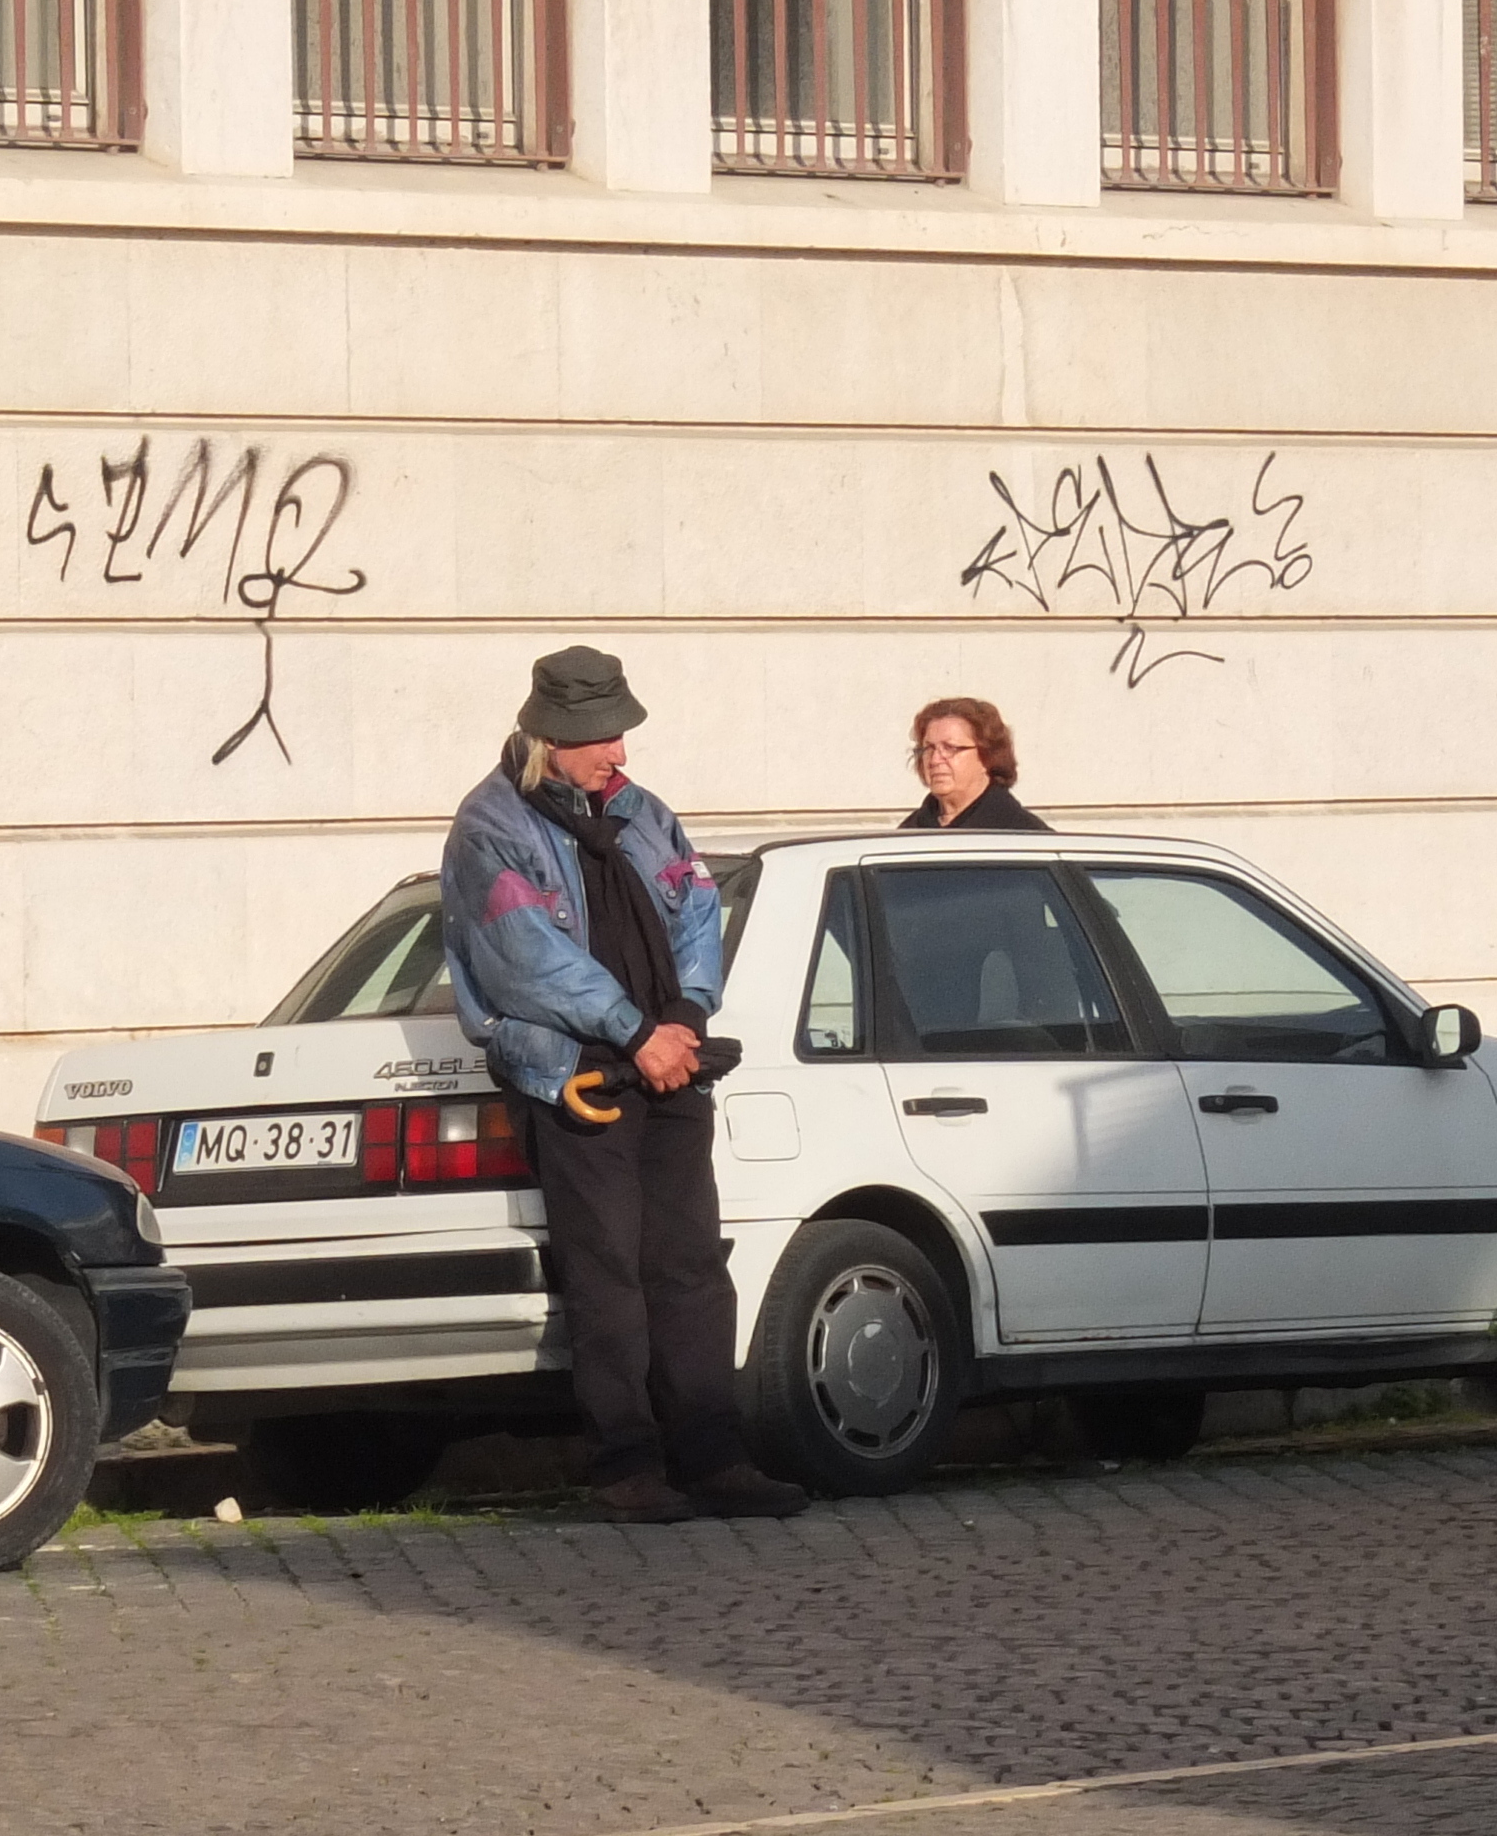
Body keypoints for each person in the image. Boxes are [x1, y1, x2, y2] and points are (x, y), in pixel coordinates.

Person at [441, 647, 809, 1525]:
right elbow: (528, 962)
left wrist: (682, 1014)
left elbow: (696, 911)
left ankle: (714, 1458)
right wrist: (637, 1033)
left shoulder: (645, 814)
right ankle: (626, 1469)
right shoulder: (489, 830)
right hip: (583, 1078)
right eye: (600, 736)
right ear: (551, 739)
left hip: (668, 1063)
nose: (620, 752)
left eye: (620, 732)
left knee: (690, 1268)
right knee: (607, 1275)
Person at [900, 696, 1051, 832]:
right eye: (929, 748)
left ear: (987, 757)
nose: (934, 760)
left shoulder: (1021, 835)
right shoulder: (910, 833)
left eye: (951, 748)